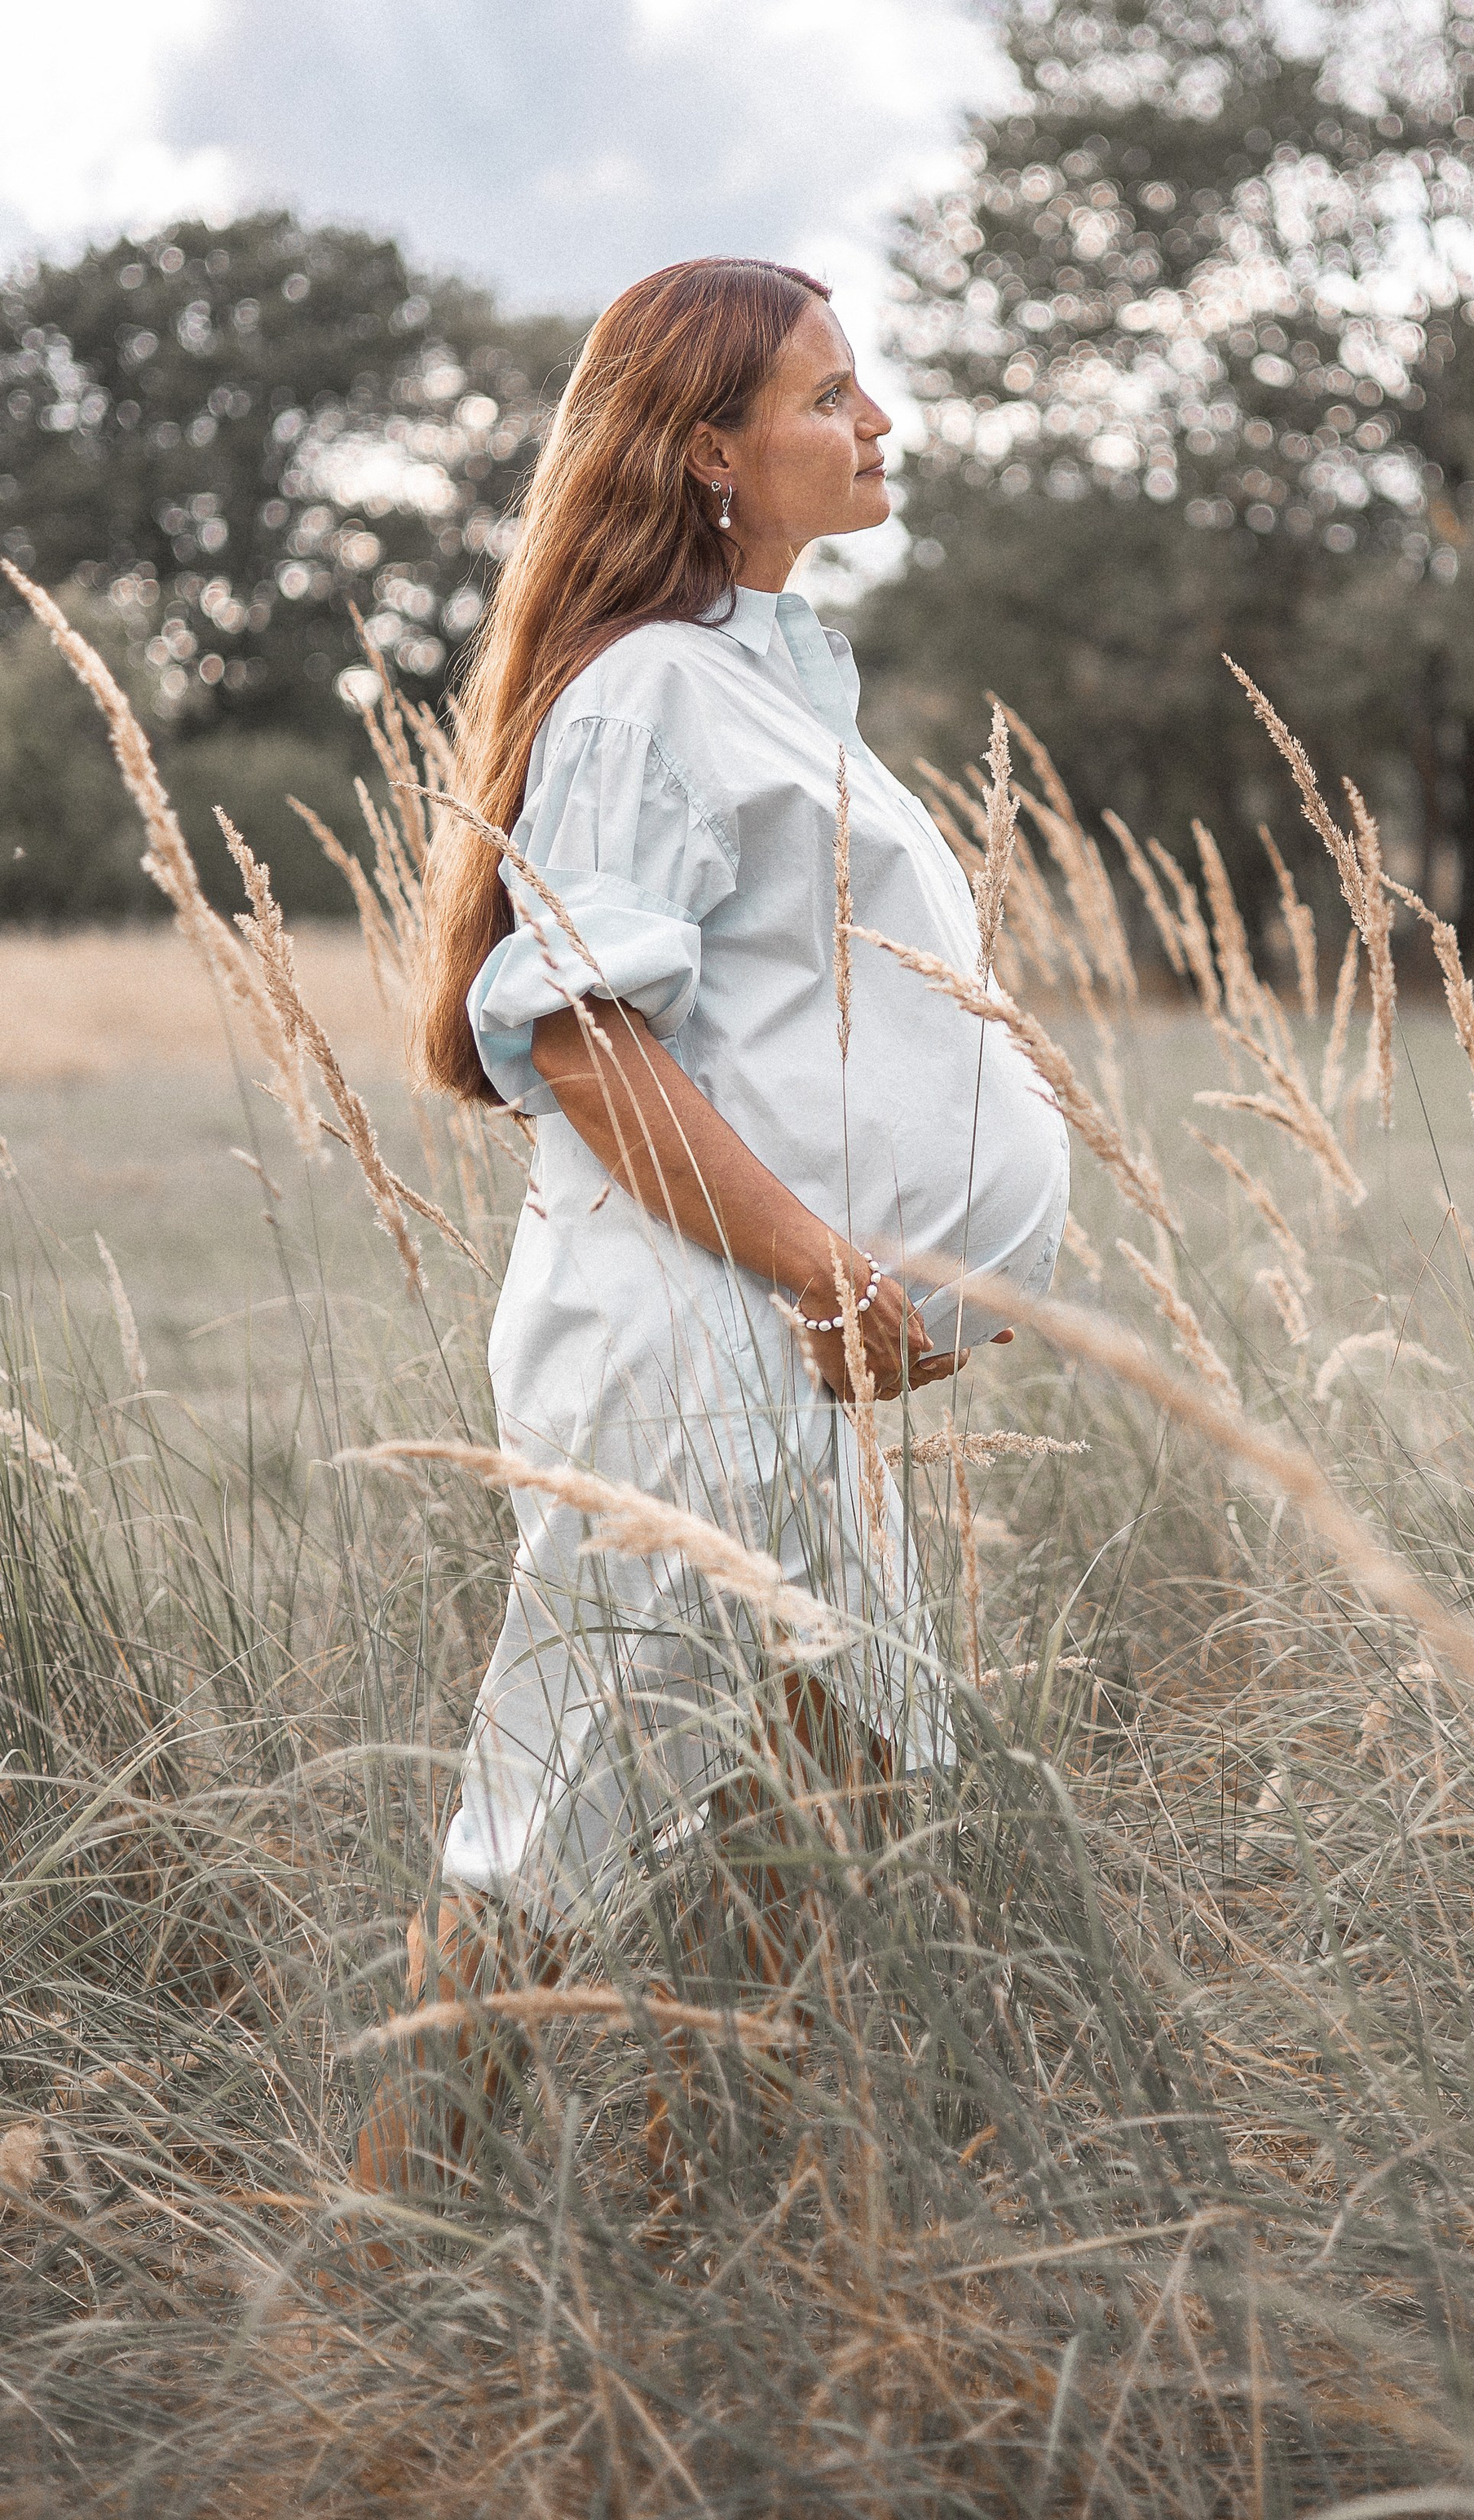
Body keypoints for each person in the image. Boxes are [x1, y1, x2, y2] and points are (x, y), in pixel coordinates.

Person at [353, 256, 1069, 2191]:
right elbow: (583, 1037)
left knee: (826, 1815)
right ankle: (371, 2284)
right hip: (689, 1346)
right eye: (828, 395)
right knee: (553, 1847)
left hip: (769, 1354)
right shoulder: (649, 690)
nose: (876, 420)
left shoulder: (755, 672)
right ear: (707, 453)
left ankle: (713, 2235)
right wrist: (828, 1265)